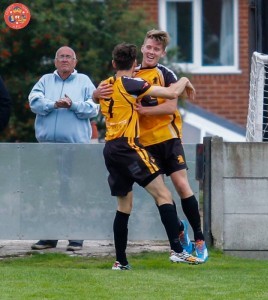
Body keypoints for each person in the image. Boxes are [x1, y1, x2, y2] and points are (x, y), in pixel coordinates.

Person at [98, 30, 208, 262]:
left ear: (162, 53)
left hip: (166, 138)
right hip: (139, 145)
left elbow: (170, 107)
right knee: (160, 194)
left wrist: (144, 110)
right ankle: (177, 241)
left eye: (156, 49)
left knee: (179, 185)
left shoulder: (165, 73)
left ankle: (199, 238)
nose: (151, 51)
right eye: (148, 47)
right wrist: (95, 93)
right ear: (141, 49)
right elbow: (106, 94)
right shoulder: (129, 77)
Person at [28, 46, 99, 251]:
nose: (65, 60)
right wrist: (54, 105)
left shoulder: (84, 81)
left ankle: (76, 238)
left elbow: (94, 107)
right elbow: (34, 102)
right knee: (49, 191)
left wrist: (73, 105)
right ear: (55, 61)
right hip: (47, 147)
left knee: (74, 191)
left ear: (75, 62)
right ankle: (49, 237)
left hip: (75, 148)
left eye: (69, 57)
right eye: (61, 57)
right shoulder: (45, 80)